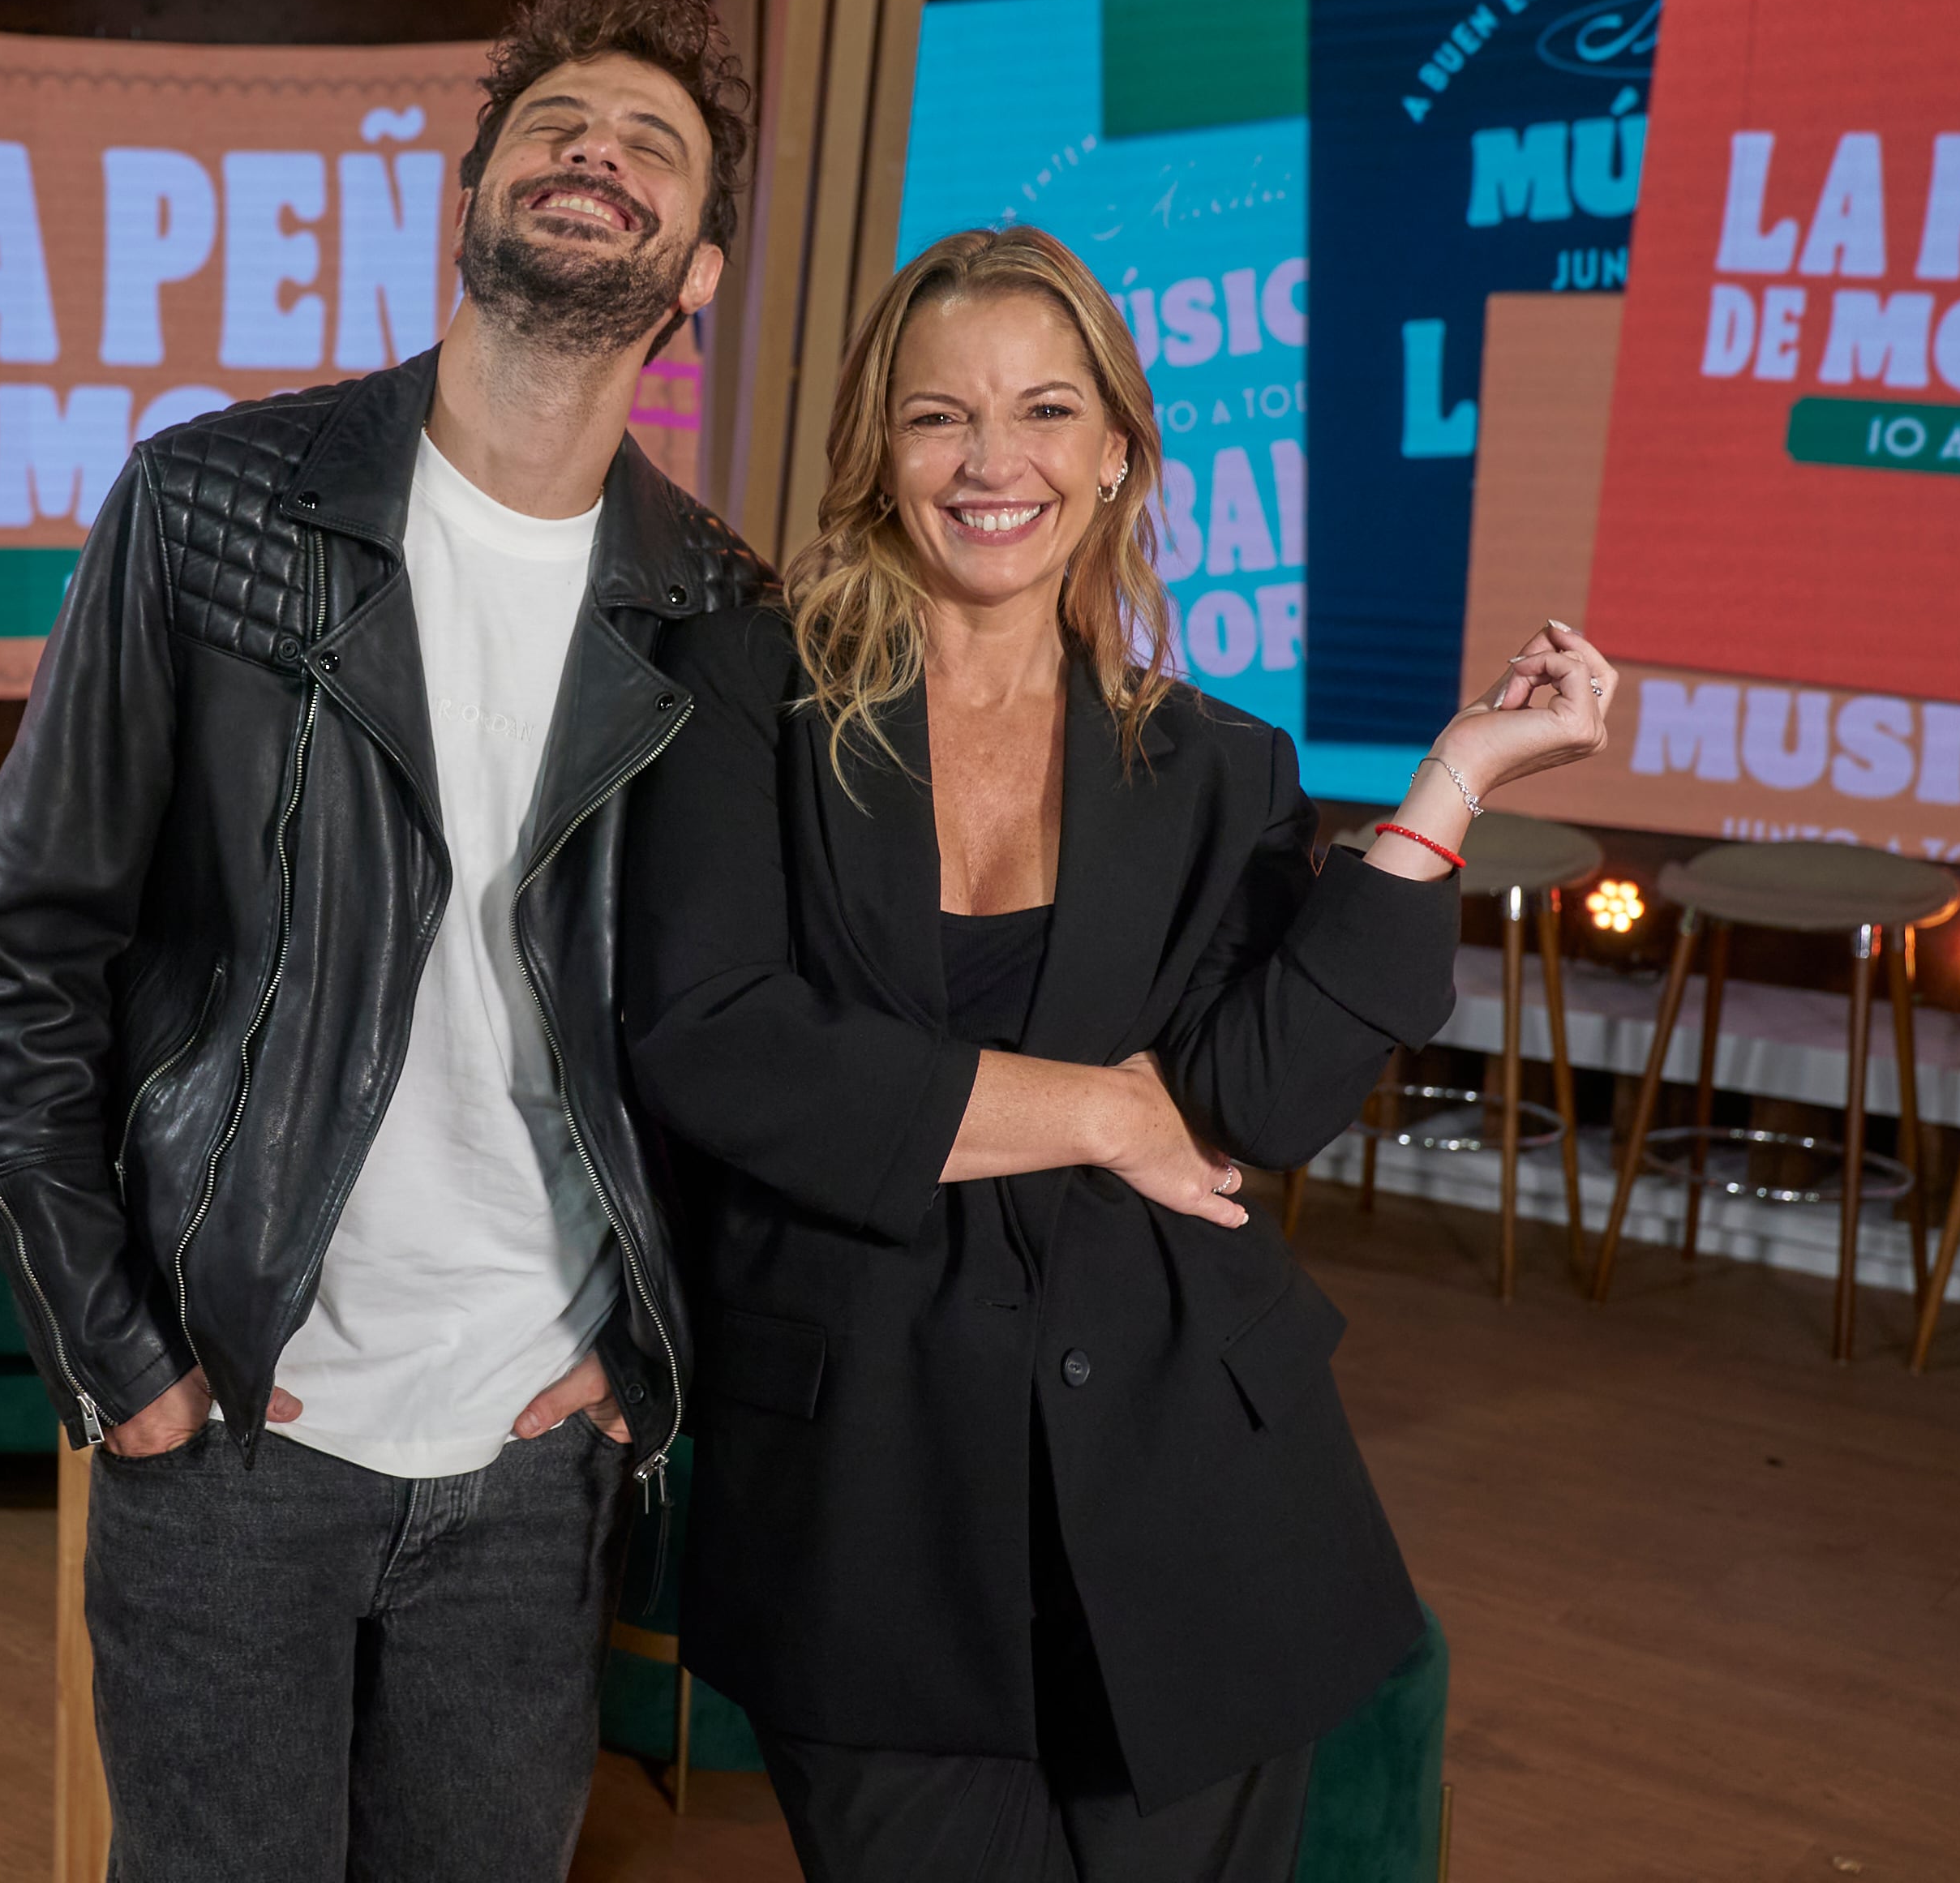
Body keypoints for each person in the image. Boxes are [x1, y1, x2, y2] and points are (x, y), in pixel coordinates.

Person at [620, 224, 1616, 1882]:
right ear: (877, 447)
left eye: (1042, 412)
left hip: (1193, 1505)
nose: (988, 460)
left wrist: (1448, 787)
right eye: (937, 415)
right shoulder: (743, 694)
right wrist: (1096, 1112)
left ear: (1116, 456)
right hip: (866, 1505)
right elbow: (717, 1044)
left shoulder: (1222, 763)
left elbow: (1259, 1104)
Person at [0, 0, 767, 1882]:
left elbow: (743, 1035)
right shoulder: (207, 506)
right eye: (556, 126)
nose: (596, 154)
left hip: (533, 1458)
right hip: (230, 1424)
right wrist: (119, 1359)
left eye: (652, 144)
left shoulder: (723, 616)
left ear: (698, 268)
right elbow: (18, 973)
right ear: (465, 201)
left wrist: (644, 1364)